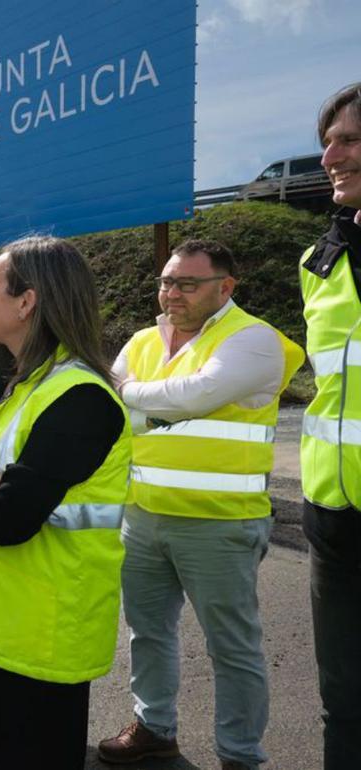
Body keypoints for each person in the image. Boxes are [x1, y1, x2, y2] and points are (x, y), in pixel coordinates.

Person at [0, 236, 132, 770]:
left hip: (43, 634)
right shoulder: (6, 383)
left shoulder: (80, 397)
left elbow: (10, 520)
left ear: (27, 301)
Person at [97, 240, 303, 770]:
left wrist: (133, 392)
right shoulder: (144, 340)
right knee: (147, 633)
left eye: (187, 284)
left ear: (225, 287)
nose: (172, 293)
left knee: (232, 648)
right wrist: (145, 397)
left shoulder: (254, 339)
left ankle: (239, 757)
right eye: (167, 282)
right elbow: (111, 402)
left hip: (219, 524)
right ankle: (153, 729)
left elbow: (195, 394)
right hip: (143, 517)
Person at [299, 82, 361, 770]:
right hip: (333, 519)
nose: (329, 156)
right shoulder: (320, 261)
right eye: (327, 141)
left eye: (349, 139)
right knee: (343, 701)